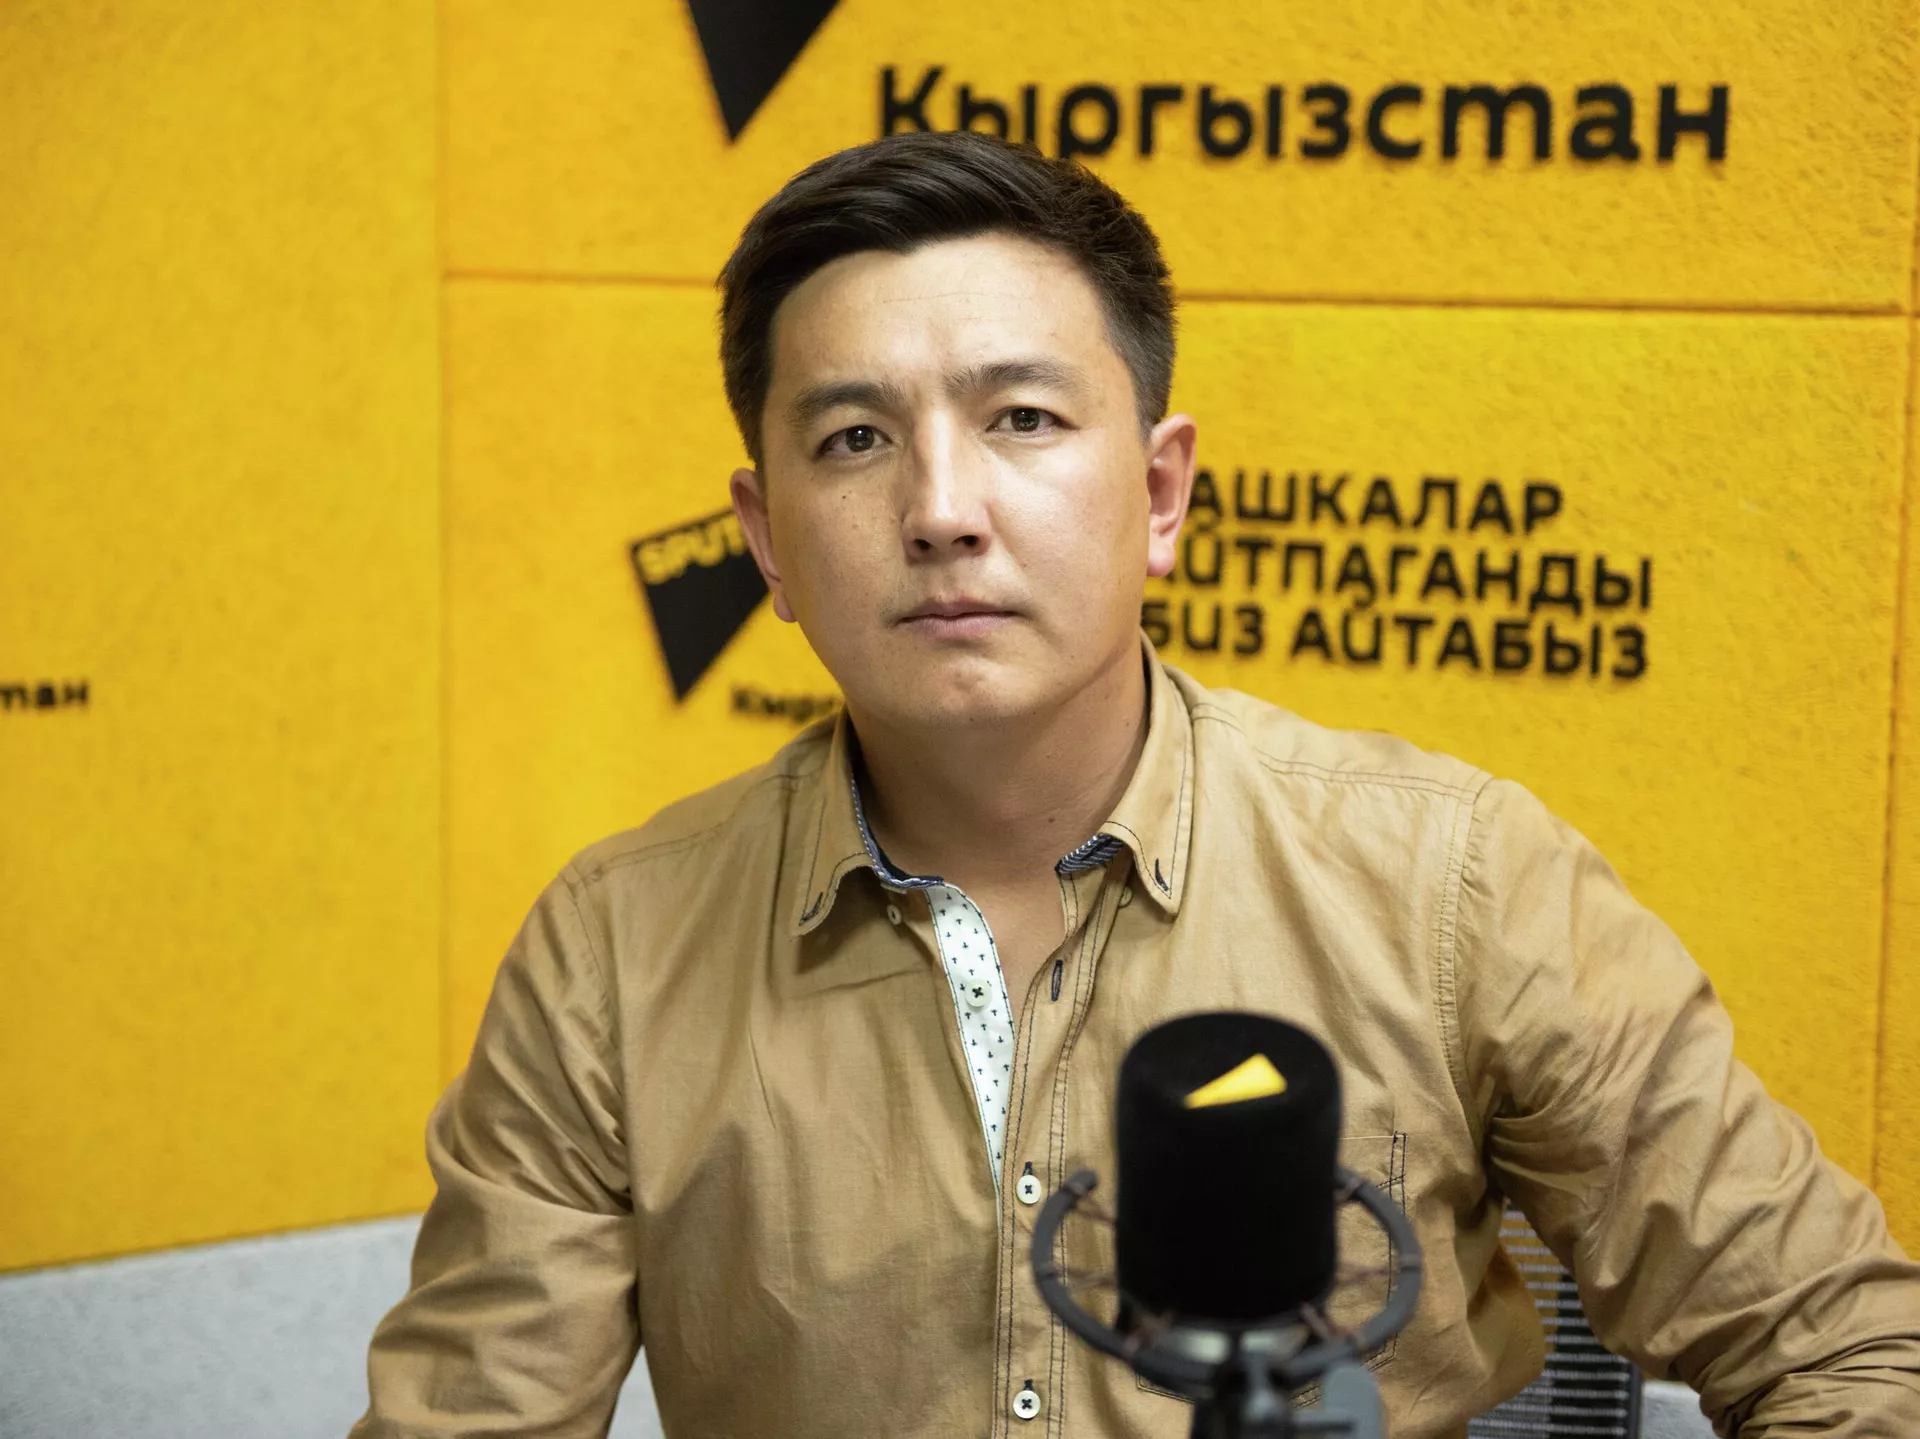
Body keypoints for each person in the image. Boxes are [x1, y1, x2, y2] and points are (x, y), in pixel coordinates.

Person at [351, 130, 1920, 1438]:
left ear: (1161, 493)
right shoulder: (614, 954)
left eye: (1022, 418)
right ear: (766, 541)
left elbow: (1854, 1356)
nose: (942, 507)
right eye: (856, 439)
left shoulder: (1457, 882)